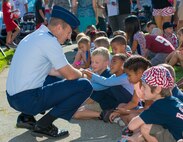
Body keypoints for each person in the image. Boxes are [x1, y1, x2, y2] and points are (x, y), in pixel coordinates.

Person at [6, 6, 93, 138]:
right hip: (27, 100)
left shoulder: (34, 35)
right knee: (85, 86)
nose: (69, 37)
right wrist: (83, 74)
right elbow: (70, 75)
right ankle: (43, 125)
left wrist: (74, 72)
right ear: (59, 27)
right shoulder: (50, 41)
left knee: (58, 79)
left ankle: (26, 117)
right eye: (68, 32)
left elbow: (52, 71)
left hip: (13, 98)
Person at [122, 66, 183, 142]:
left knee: (145, 128)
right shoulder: (173, 100)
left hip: (178, 138)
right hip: (178, 135)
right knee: (151, 127)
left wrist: (127, 129)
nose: (142, 90)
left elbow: (132, 125)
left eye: (144, 87)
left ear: (157, 89)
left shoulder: (159, 106)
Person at [74, 53, 133, 119]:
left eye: (114, 62)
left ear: (124, 65)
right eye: (92, 62)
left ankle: (112, 114)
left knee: (110, 86)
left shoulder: (125, 77)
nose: (110, 65)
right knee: (76, 113)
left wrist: (88, 73)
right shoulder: (113, 76)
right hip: (111, 103)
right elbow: (100, 86)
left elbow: (105, 82)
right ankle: (104, 114)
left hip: (126, 104)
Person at [109, 55, 152, 124]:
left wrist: (127, 112)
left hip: (154, 114)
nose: (127, 78)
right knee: (121, 106)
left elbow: (148, 110)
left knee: (131, 116)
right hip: (145, 111)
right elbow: (134, 102)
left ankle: (135, 129)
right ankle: (131, 126)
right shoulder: (137, 83)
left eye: (129, 75)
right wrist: (119, 111)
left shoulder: (148, 86)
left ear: (139, 73)